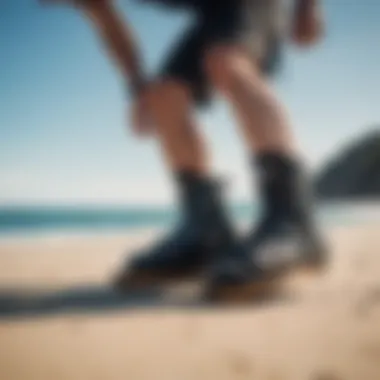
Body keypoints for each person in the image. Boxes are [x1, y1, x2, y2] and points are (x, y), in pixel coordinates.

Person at [41, 0, 327, 300]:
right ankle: (206, 232)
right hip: (214, 9)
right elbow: (106, 17)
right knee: (164, 95)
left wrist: (308, 6)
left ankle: (293, 221)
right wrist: (138, 89)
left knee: (225, 60)